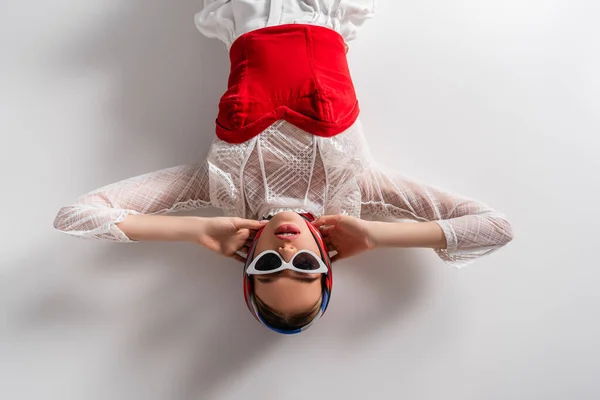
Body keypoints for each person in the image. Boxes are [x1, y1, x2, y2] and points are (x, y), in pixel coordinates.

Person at [53, 1, 514, 334]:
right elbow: (493, 227)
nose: (288, 252)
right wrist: (375, 236)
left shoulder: (219, 189)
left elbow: (76, 216)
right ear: (327, 263)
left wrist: (194, 230)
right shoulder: (359, 190)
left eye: (269, 267)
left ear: (249, 261)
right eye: (307, 267)